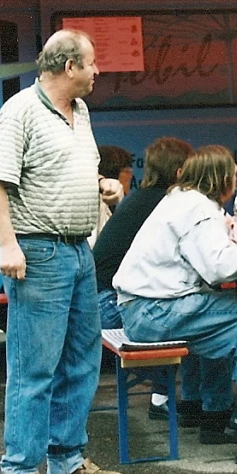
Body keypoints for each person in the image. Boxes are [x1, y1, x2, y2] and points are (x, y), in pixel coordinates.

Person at [0, 29, 128, 474]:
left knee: (83, 360)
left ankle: (66, 458)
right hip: (38, 252)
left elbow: (67, 169)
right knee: (34, 366)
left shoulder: (79, 112)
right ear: (68, 68)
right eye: (92, 62)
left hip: (79, 250)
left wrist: (103, 186)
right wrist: (8, 245)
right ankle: (19, 471)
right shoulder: (21, 111)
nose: (98, 70)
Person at [113, 145, 237, 464]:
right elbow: (219, 268)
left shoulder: (182, 200)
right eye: (234, 174)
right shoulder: (200, 209)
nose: (236, 180)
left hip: (145, 309)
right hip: (156, 312)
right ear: (221, 179)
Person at [92, 137, 194, 421]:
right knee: (181, 318)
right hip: (107, 304)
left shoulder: (143, 197)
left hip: (97, 299)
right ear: (179, 173)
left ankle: (172, 397)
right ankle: (176, 400)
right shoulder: (165, 203)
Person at [91, 145, 134, 242]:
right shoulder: (95, 206)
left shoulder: (109, 207)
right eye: (127, 170)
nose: (131, 176)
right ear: (113, 171)